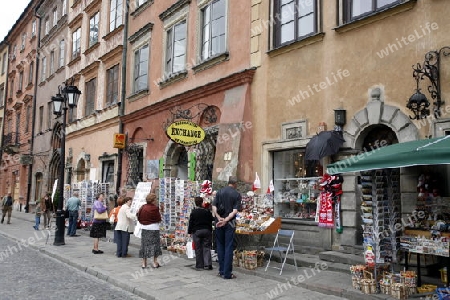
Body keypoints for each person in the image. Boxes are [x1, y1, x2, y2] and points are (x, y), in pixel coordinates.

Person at [212, 176, 242, 279]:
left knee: (220, 246)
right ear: (235, 184)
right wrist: (226, 220)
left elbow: (214, 206)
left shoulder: (219, 192)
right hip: (229, 223)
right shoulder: (236, 194)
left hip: (218, 222)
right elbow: (234, 211)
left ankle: (221, 271)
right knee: (229, 247)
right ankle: (227, 273)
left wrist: (219, 217)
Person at [188, 196, 214, 270]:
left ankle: (199, 265)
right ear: (202, 202)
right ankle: (208, 264)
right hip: (206, 230)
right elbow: (212, 219)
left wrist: (189, 231)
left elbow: (191, 223)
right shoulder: (207, 211)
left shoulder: (194, 212)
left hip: (197, 231)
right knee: (206, 247)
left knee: (198, 248)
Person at [137, 193, 162, 269]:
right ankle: (154, 262)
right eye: (155, 199)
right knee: (155, 245)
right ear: (153, 200)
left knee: (144, 245)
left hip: (144, 228)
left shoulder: (143, 207)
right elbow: (158, 219)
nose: (156, 201)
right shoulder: (155, 208)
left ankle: (144, 263)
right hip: (154, 228)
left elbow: (138, 216)